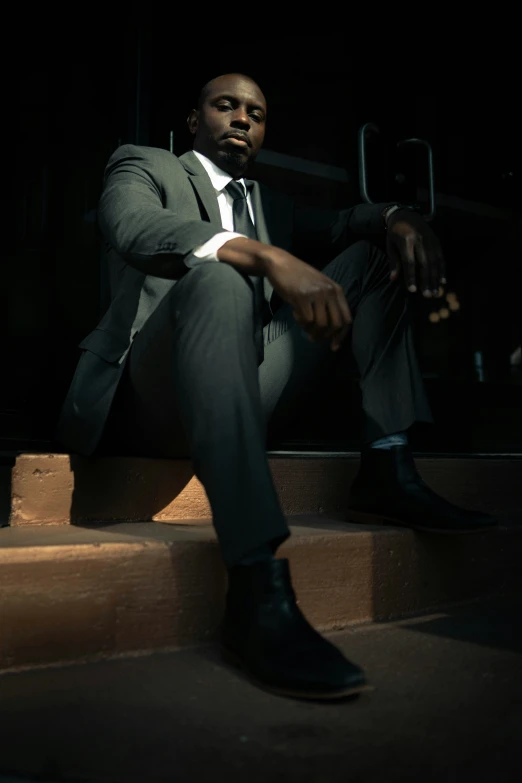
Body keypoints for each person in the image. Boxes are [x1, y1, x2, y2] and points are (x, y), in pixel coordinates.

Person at [56, 73, 497, 701]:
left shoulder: (274, 207)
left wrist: (398, 215)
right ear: (193, 120)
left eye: (256, 113)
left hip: (245, 390)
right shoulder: (144, 164)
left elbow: (348, 220)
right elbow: (131, 227)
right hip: (148, 397)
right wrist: (260, 254)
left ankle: (388, 464)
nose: (242, 119)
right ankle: (257, 586)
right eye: (226, 106)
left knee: (372, 257)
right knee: (217, 277)